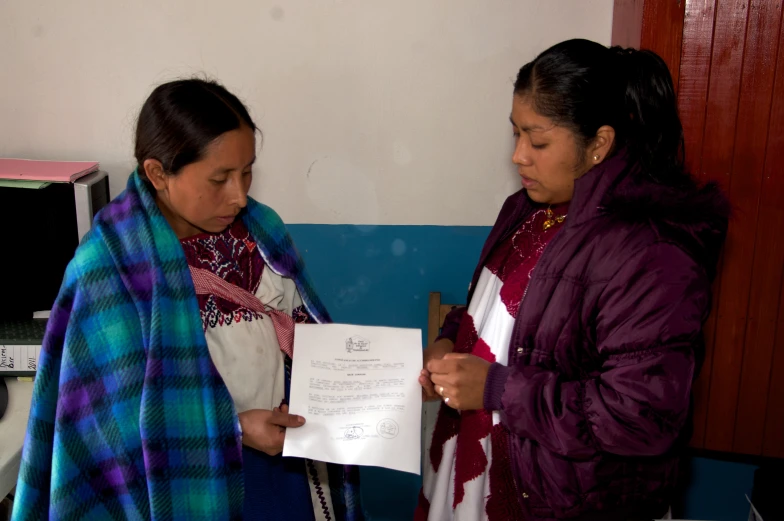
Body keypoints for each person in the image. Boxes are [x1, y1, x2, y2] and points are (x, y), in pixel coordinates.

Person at [13, 79, 363, 521]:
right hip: (181, 489)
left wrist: (376, 380)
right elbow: (108, 432)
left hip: (284, 472)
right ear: (158, 173)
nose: (239, 195)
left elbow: (301, 335)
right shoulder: (112, 270)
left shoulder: (260, 231)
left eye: (248, 171)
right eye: (219, 179)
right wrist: (233, 430)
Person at [416, 39, 729, 521]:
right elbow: (502, 317)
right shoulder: (526, 209)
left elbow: (639, 417)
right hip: (494, 473)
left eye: (538, 141)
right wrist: (449, 337)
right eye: (515, 134)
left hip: (569, 499)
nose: (519, 156)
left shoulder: (652, 254)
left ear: (599, 143)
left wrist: (499, 390)